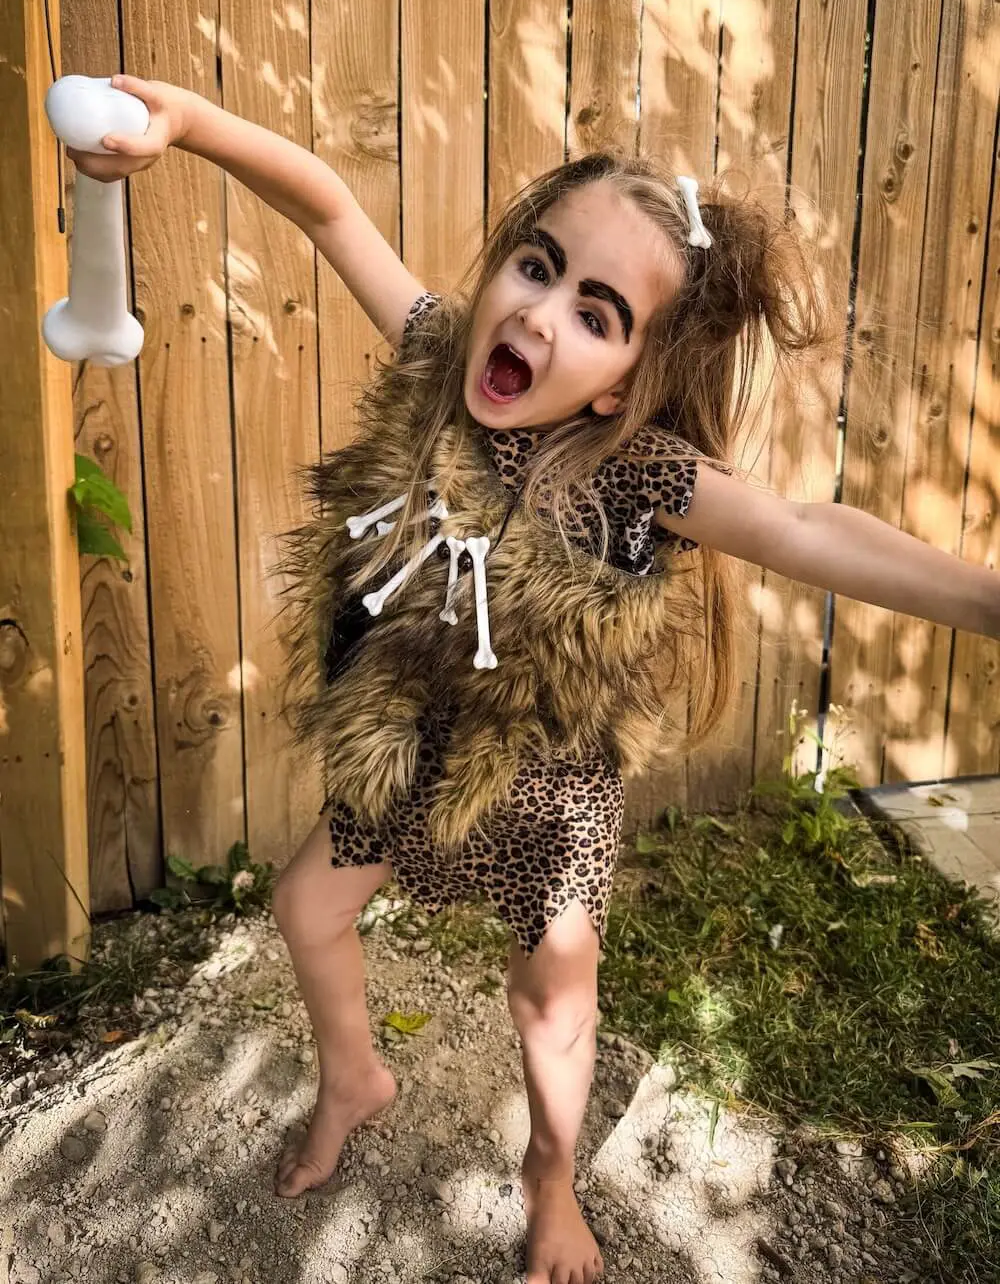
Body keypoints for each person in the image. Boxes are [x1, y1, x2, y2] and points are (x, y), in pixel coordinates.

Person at [69, 73, 999, 1284]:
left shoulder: (633, 473)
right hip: (405, 744)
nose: (542, 313)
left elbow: (805, 531)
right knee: (307, 911)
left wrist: (984, 599)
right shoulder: (432, 355)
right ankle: (357, 1075)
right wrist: (189, 129)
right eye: (537, 265)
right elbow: (331, 208)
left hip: (544, 795)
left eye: (599, 312)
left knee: (552, 997)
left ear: (621, 379)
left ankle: (550, 1175)